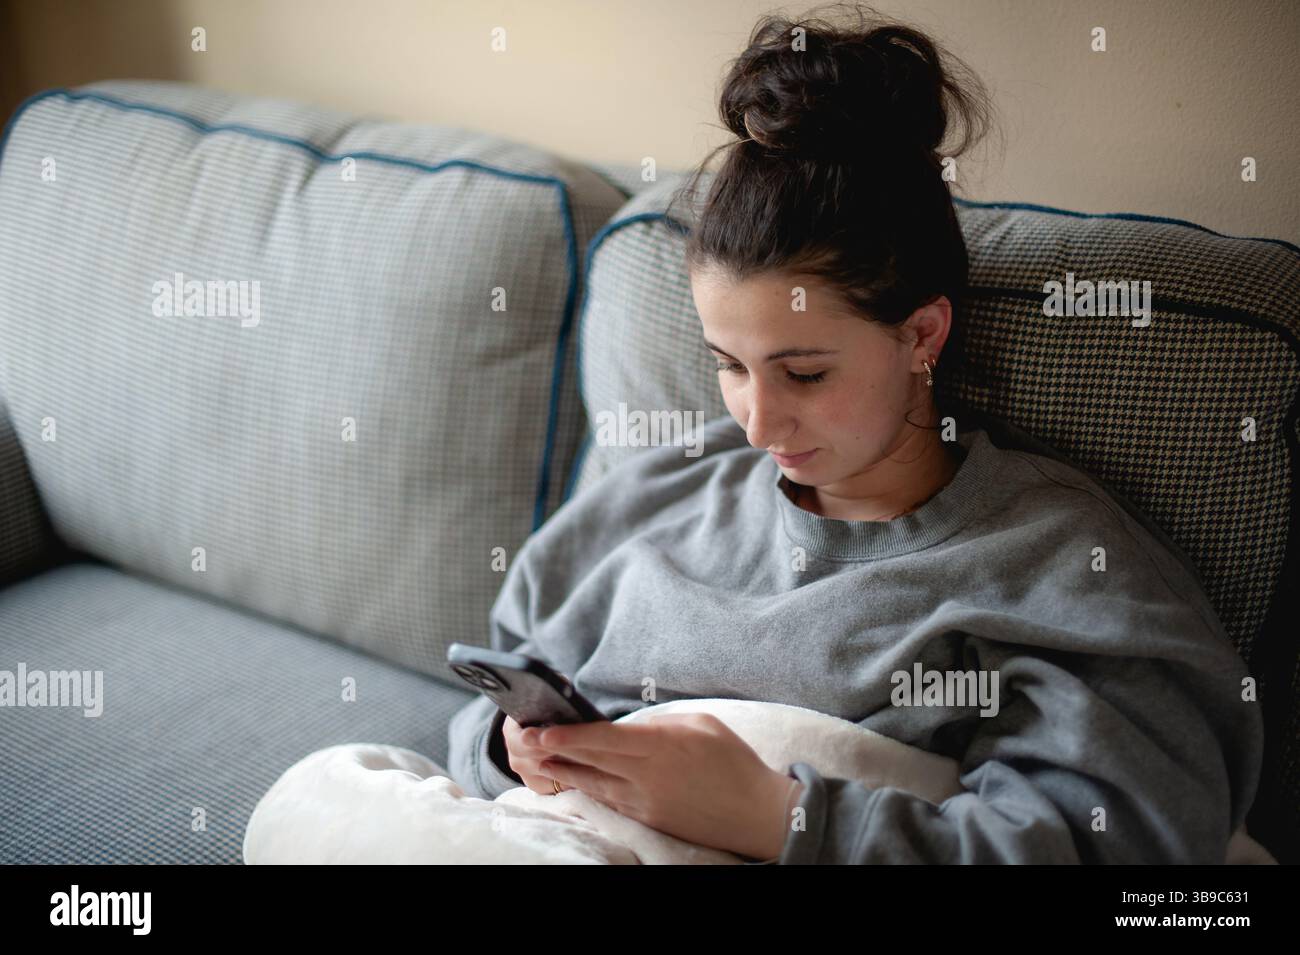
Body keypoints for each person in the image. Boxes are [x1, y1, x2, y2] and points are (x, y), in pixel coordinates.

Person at [447, 2, 1265, 864]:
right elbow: (478, 710)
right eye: (728, 364)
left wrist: (774, 814)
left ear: (922, 335)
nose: (759, 423)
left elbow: (1118, 849)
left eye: (805, 373)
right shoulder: (661, 497)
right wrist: (517, 752)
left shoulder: (1054, 567)